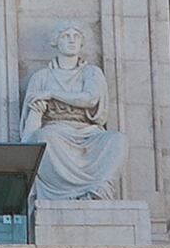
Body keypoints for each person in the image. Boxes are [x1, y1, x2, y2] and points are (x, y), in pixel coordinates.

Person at [20, 21, 120, 204]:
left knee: (117, 140)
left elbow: (90, 99)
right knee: (45, 137)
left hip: (89, 133)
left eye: (76, 36)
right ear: (55, 42)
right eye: (66, 36)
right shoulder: (41, 78)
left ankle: (98, 188)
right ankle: (63, 193)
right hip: (56, 132)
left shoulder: (91, 73)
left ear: (82, 42)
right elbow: (32, 124)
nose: (72, 40)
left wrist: (51, 94)